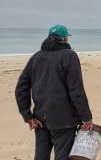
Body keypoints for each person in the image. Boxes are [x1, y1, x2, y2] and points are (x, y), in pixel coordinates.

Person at [15, 24, 93, 160]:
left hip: (40, 117)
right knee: (62, 156)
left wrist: (28, 116)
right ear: (65, 39)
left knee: (40, 157)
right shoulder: (70, 55)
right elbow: (76, 91)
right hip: (64, 119)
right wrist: (86, 117)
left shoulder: (36, 57)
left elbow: (21, 88)